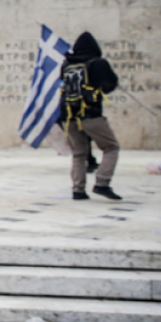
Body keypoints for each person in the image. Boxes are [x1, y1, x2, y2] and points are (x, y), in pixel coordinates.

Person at [62, 31, 121, 200]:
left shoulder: (67, 64)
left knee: (79, 154)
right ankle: (102, 183)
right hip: (90, 114)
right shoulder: (98, 63)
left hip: (69, 116)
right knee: (111, 147)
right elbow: (110, 84)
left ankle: (78, 190)